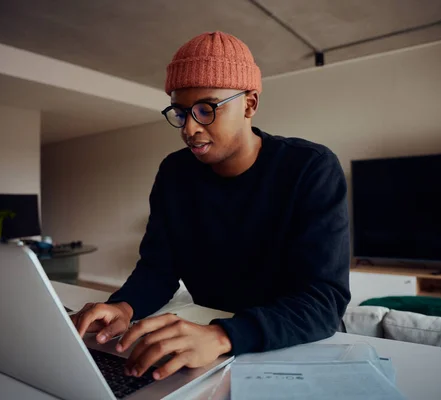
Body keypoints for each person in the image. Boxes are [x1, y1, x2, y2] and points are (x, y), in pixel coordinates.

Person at [72, 31, 350, 381]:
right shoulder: (174, 173)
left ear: (249, 104)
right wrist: (122, 306)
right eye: (180, 112)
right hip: (210, 342)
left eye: (206, 109)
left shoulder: (311, 168)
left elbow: (323, 300)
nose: (189, 128)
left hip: (294, 344)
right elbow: (157, 270)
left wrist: (223, 335)